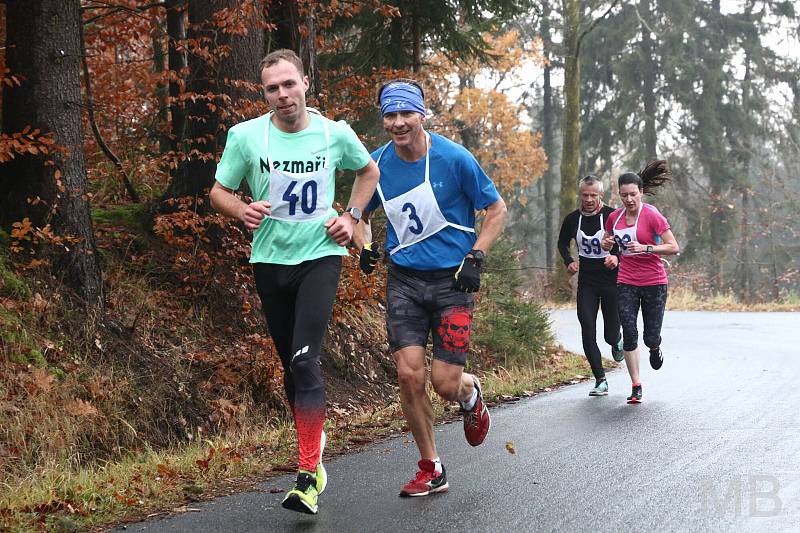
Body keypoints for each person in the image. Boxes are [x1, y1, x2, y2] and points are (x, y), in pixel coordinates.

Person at [209, 49, 379, 515]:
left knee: (306, 361)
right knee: (291, 368)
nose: (283, 95)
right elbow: (218, 192)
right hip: (269, 261)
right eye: (272, 88)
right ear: (263, 93)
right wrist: (240, 209)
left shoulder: (333, 133)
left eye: (289, 84)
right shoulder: (246, 137)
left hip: (320, 255)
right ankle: (313, 446)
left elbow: (368, 171)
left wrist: (352, 216)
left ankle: (306, 477)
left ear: (306, 82)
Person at [354, 79, 507, 497]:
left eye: (406, 113)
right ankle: (431, 466)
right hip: (403, 280)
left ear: (422, 115)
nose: (399, 122)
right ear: (383, 119)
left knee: (444, 382)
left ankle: (470, 394)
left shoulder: (454, 158)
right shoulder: (375, 165)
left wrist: (476, 256)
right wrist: (364, 246)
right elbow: (358, 215)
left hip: (452, 281)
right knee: (408, 375)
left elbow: (495, 209)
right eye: (390, 115)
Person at [600, 160, 679, 404]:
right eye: (624, 195)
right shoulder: (614, 217)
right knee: (630, 334)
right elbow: (608, 240)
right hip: (626, 281)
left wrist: (647, 247)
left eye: (633, 194)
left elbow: (673, 247)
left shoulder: (652, 215)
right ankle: (636, 385)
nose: (629, 199)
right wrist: (608, 248)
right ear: (619, 195)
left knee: (649, 337)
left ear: (641, 192)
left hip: (654, 281)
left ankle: (655, 347)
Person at [557, 175, 624, 397]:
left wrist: (616, 258)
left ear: (600, 195)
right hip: (587, 280)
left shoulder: (612, 216)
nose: (588, 199)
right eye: (585, 195)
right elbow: (562, 243)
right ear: (580, 194)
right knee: (587, 328)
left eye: (593, 195)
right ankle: (600, 380)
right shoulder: (572, 219)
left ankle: (617, 342)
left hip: (611, 279)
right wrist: (569, 261)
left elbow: (626, 243)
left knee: (610, 335)